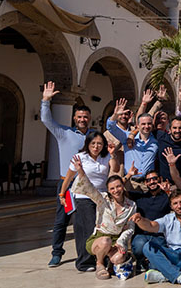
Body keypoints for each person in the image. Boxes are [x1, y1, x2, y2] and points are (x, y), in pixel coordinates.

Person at [40, 81, 95, 268]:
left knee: (87, 222)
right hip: (68, 185)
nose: (82, 119)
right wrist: (46, 101)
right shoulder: (63, 133)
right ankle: (56, 253)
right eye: (79, 117)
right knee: (61, 220)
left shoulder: (94, 137)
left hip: (87, 186)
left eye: (85, 117)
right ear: (74, 118)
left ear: (89, 118)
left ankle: (88, 254)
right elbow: (46, 120)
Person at [59, 131, 120, 272]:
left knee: (102, 228)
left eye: (99, 144)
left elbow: (115, 168)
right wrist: (62, 194)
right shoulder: (80, 157)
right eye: (93, 143)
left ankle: (101, 257)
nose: (96, 147)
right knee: (86, 229)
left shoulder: (106, 157)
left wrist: (113, 155)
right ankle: (84, 262)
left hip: (101, 197)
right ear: (87, 144)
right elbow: (68, 177)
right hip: (84, 197)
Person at [69, 156, 136, 280]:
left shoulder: (131, 205)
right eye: (112, 188)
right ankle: (99, 263)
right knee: (106, 241)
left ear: (123, 186)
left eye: (118, 186)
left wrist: (121, 241)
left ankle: (111, 262)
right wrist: (80, 171)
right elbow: (89, 188)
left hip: (116, 239)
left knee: (119, 258)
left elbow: (130, 227)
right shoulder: (103, 199)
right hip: (100, 239)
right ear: (108, 190)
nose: (116, 190)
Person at [131, 189, 181, 285]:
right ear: (171, 206)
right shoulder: (168, 218)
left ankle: (167, 274)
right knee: (148, 247)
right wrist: (140, 220)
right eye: (175, 203)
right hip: (173, 254)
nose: (179, 206)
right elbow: (151, 225)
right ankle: (179, 276)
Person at [125, 170, 170, 269]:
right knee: (139, 246)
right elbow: (121, 189)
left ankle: (151, 263)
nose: (151, 182)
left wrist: (168, 192)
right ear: (145, 183)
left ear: (160, 179)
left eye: (154, 179)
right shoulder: (140, 196)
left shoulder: (166, 197)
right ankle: (141, 261)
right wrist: (129, 175)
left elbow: (178, 204)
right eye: (148, 180)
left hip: (159, 235)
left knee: (156, 262)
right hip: (142, 235)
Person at [122, 113, 159, 181]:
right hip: (130, 181)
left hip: (148, 182)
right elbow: (111, 128)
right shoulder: (127, 137)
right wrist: (115, 114)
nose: (146, 126)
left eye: (149, 123)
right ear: (138, 125)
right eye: (143, 124)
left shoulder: (156, 140)